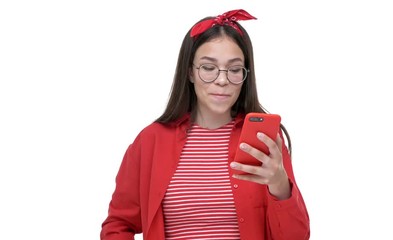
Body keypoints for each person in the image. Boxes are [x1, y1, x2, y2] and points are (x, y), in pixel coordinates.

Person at [100, 9, 310, 240]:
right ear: (190, 72)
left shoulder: (265, 141)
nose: (222, 80)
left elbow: (296, 236)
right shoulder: (151, 140)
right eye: (209, 68)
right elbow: (119, 224)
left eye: (234, 69)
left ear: (245, 74)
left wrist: (280, 186)